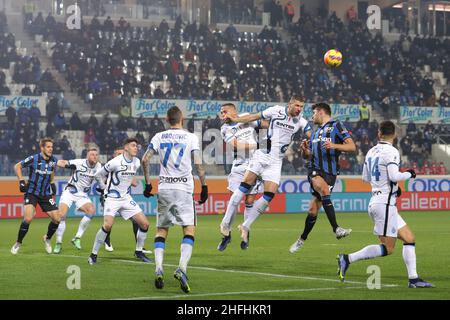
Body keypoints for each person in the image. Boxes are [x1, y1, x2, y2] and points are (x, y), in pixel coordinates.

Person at [336, 121, 434, 288]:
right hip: (384, 204)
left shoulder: (370, 152)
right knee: (388, 248)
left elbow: (365, 179)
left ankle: (414, 279)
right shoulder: (392, 151)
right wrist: (410, 174)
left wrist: (391, 188)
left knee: (409, 238)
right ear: (394, 135)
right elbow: (394, 176)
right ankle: (347, 258)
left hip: (379, 200)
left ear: (379, 134)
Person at [222, 95, 312, 250]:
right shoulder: (276, 110)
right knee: (243, 188)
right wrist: (236, 120)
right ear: (290, 104)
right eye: (297, 105)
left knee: (269, 195)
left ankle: (245, 226)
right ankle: (225, 224)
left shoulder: (301, 121)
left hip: (276, 161)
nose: (299, 109)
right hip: (262, 154)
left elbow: (311, 134)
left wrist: (311, 143)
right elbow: (254, 117)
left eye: (302, 106)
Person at [142, 106, 208, 293]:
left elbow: (145, 160)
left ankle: (159, 268)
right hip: (184, 189)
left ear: (166, 119)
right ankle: (182, 268)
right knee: (189, 229)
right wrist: (204, 186)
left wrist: (148, 184)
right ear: (182, 119)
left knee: (161, 230)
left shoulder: (158, 136)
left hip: (165, 188)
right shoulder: (190, 137)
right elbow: (198, 164)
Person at [289, 103, 355, 253]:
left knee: (313, 210)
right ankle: (336, 229)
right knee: (324, 190)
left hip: (330, 174)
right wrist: (305, 151)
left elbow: (351, 147)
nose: (312, 117)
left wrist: (334, 145)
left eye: (313, 113)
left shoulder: (336, 125)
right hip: (315, 171)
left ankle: (301, 239)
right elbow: (308, 156)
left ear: (321, 112)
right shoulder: (315, 133)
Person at [88, 138, 151, 265]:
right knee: (108, 225)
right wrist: (103, 188)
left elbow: (133, 175)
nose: (136, 148)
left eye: (137, 146)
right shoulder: (115, 162)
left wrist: (146, 183)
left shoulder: (137, 162)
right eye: (133, 145)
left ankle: (139, 251)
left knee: (145, 224)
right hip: (112, 198)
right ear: (126, 147)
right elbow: (98, 175)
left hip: (126, 198)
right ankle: (93, 254)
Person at [217, 103, 266, 251]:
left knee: (250, 200)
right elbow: (236, 145)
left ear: (233, 111)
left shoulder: (246, 117)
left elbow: (264, 123)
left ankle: (246, 231)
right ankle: (227, 234)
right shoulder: (224, 128)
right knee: (234, 198)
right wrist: (257, 145)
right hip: (239, 166)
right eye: (221, 113)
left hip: (254, 164)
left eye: (224, 112)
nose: (222, 115)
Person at [11, 138, 61, 254]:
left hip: (45, 194)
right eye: (48, 147)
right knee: (28, 218)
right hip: (32, 192)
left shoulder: (53, 160)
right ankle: (18, 242)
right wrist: (21, 181)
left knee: (57, 219)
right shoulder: (34, 158)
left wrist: (52, 182)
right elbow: (17, 166)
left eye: (52, 147)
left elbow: (52, 171)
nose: (50, 149)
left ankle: (47, 238)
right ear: (42, 148)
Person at [52, 147, 105, 253]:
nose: (94, 156)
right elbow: (64, 163)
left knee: (91, 210)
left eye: (96, 154)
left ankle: (77, 238)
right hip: (70, 191)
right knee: (61, 216)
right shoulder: (79, 163)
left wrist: (105, 192)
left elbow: (100, 182)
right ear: (87, 156)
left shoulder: (99, 167)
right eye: (92, 154)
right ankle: (58, 243)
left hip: (82, 195)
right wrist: (53, 161)